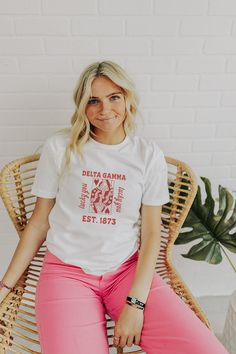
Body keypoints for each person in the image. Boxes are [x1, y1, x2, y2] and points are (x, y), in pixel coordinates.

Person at [0, 60, 228, 354]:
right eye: (93, 100)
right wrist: (5, 285)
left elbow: (151, 234)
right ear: (82, 106)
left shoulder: (147, 155)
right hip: (66, 274)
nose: (105, 109)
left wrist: (136, 304)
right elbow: (39, 222)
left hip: (126, 272)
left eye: (114, 97)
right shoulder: (59, 148)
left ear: (127, 99)